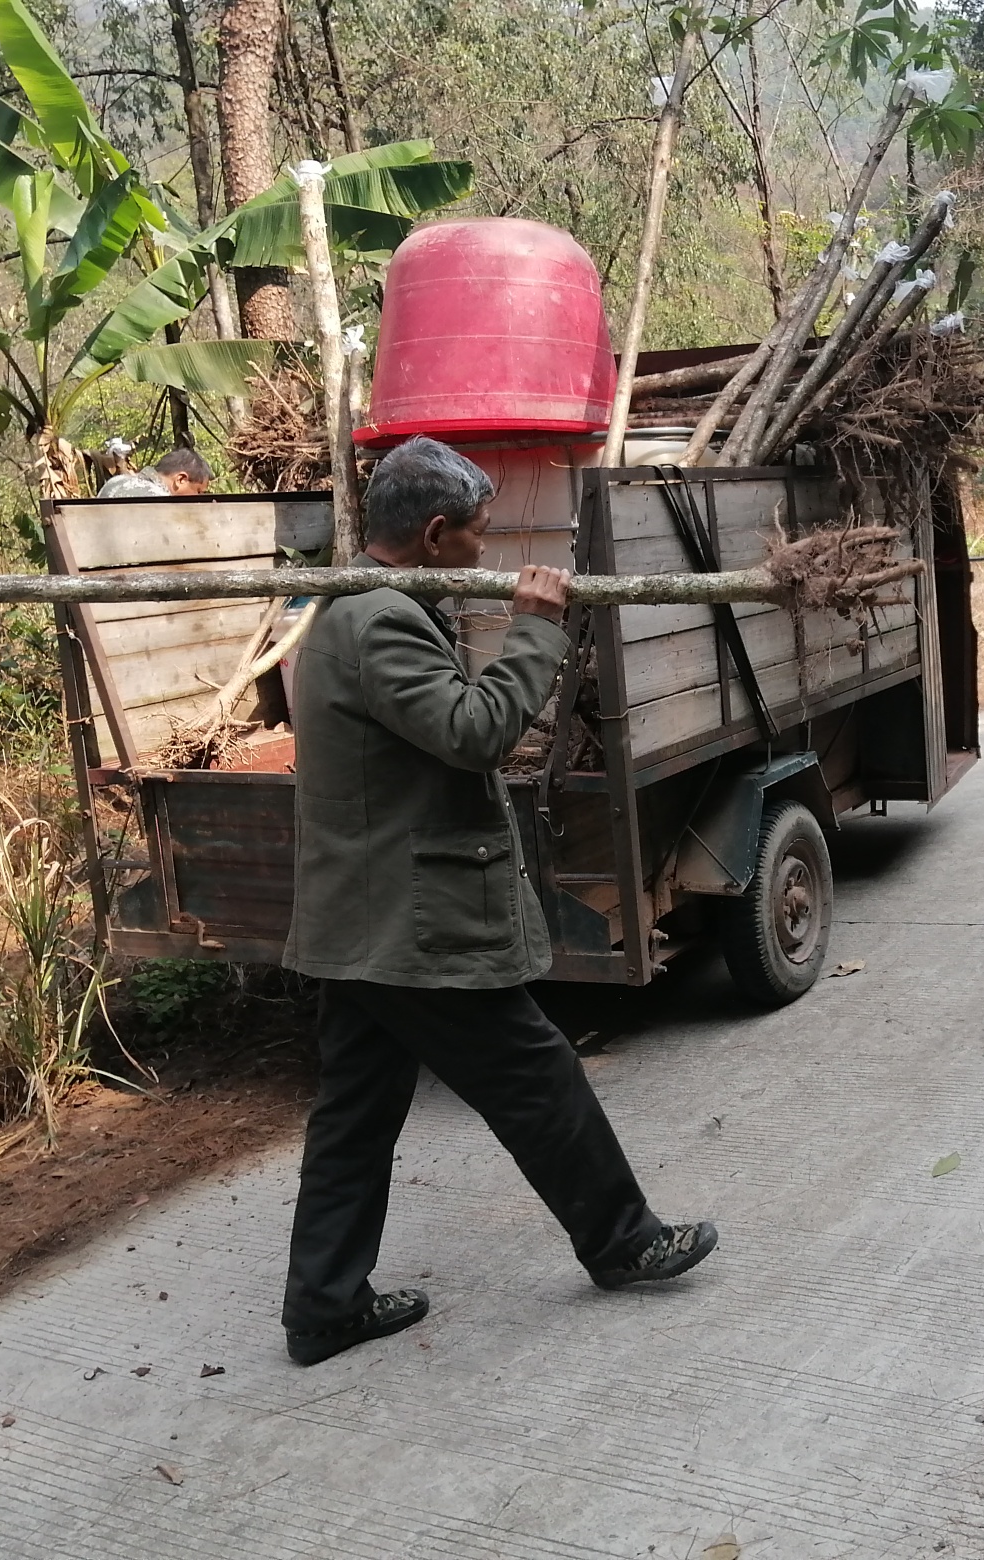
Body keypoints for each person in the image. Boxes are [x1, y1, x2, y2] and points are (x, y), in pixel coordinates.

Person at [278, 434, 716, 1366]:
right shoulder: (378, 620)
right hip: (409, 920)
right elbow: (475, 732)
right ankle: (625, 1241)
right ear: (435, 535)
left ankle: (323, 1307)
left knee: (355, 1117)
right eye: (475, 535)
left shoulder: (366, 604)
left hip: (364, 919)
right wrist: (537, 629)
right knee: (538, 1078)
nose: (485, 550)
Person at [93, 446, 215, 499]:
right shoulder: (160, 501)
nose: (198, 499)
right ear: (181, 479)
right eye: (198, 491)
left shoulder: (115, 481)